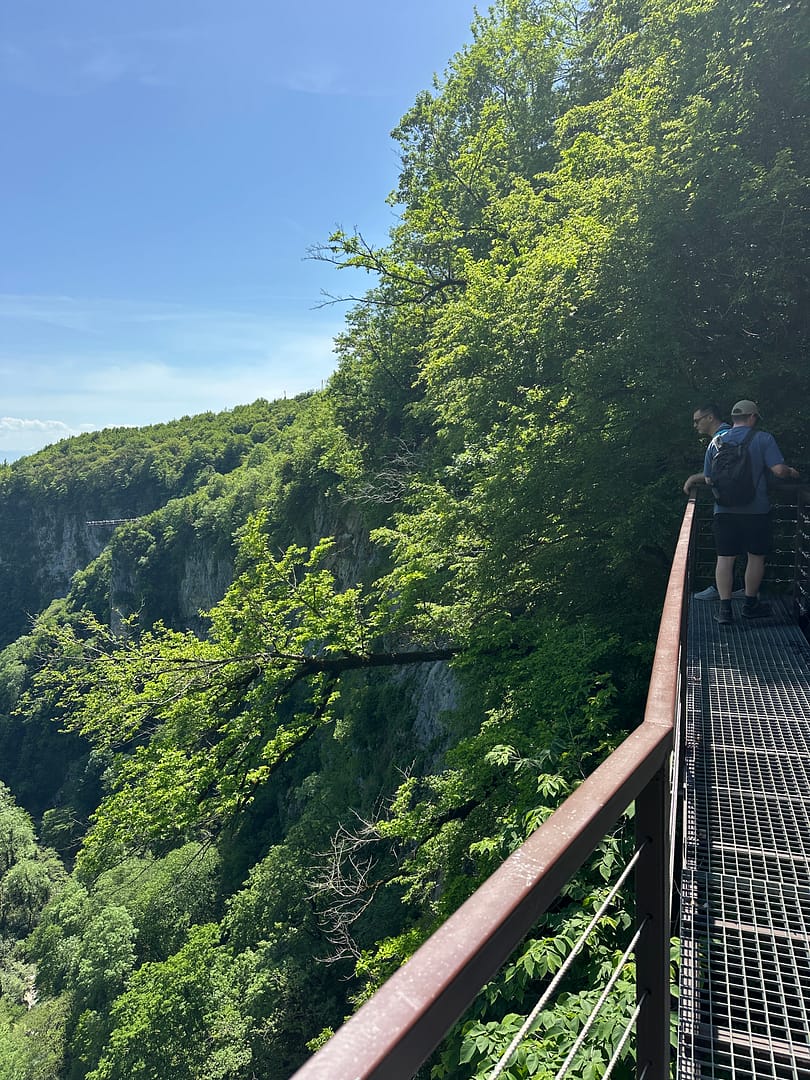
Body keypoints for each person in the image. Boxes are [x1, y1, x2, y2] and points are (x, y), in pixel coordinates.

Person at [703, 400, 799, 624]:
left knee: (725, 559)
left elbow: (709, 479)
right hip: (756, 511)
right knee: (755, 557)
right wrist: (791, 472)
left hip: (724, 511)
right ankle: (750, 604)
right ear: (753, 417)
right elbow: (778, 470)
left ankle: (725, 610)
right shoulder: (763, 438)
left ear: (734, 418)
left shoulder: (716, 442)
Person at [683, 403, 740, 600]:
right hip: (753, 504)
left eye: (697, 420)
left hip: (725, 505)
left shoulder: (717, 442)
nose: (695, 425)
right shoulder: (741, 436)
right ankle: (745, 591)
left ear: (710, 417)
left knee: (725, 552)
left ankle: (723, 596)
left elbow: (709, 478)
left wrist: (692, 478)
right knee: (750, 550)